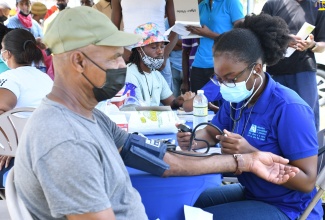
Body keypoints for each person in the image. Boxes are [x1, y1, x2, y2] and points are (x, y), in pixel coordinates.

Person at [13, 7, 299, 219]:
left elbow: (163, 159)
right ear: (78, 61)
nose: (121, 65)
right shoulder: (66, 142)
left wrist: (244, 162)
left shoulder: (90, 117)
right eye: (114, 56)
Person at [177, 13, 323, 219]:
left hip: (288, 207)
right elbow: (213, 131)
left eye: (229, 78)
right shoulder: (238, 98)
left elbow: (307, 182)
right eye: (219, 78)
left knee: (200, 217)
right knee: (185, 204)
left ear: (255, 69)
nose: (224, 85)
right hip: (254, 192)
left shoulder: (289, 108)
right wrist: (194, 140)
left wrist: (250, 152)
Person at [0, 28, 53, 188]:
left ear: (7, 54)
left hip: (20, 156)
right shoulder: (45, 79)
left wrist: (11, 145)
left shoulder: (10, 78)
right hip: (48, 151)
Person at [262, 0, 325, 132]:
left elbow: (322, 44)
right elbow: (259, 34)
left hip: (304, 70)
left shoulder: (320, 4)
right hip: (276, 70)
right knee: (275, 116)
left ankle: (312, 152)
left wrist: (311, 45)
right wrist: (282, 39)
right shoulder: (272, 4)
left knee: (306, 117)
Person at [111, 0, 178, 90]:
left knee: (165, 101)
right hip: (129, 58)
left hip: (159, 59)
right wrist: (124, 52)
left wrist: (164, 54)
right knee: (130, 101)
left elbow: (176, 29)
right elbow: (112, 31)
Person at [186, 0, 244, 94]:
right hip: (199, 63)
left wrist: (208, 34)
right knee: (197, 104)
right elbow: (198, 35)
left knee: (220, 106)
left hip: (221, 65)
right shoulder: (202, 4)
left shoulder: (232, 2)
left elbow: (240, 37)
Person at [125, 22, 184, 108]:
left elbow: (171, 103)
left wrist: (185, 100)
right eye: (154, 47)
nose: (160, 51)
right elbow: (135, 110)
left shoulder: (156, 74)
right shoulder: (130, 74)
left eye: (162, 47)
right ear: (139, 49)